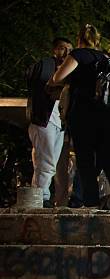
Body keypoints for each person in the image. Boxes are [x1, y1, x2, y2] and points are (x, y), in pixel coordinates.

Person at [49, 24, 110, 210]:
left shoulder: (79, 55)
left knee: (85, 159)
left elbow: (57, 78)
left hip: (84, 115)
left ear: (79, 39)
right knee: (105, 157)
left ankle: (91, 203)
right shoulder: (107, 58)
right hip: (107, 115)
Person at [26, 37, 73, 208]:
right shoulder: (45, 65)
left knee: (49, 163)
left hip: (59, 124)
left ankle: (38, 196)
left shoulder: (70, 70)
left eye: (69, 49)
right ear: (54, 50)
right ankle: (41, 198)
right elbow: (39, 86)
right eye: (62, 48)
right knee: (45, 161)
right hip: (43, 120)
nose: (66, 52)